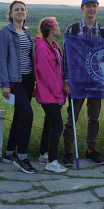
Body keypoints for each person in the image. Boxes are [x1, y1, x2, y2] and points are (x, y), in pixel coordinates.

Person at [61, 0, 104, 167]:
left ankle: (91, 150)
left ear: (97, 8)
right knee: (72, 118)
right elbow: (66, 57)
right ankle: (68, 152)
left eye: (94, 6)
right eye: (88, 6)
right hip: (77, 80)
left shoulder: (103, 31)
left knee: (94, 117)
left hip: (96, 81)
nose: (91, 9)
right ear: (82, 8)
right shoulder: (72, 29)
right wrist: (66, 80)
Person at [0, 0, 37, 174]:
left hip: (27, 80)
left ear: (25, 12)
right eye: (16, 10)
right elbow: (2, 59)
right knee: (27, 114)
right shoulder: (5, 32)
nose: (20, 12)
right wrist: (5, 84)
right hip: (14, 80)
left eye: (22, 9)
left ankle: (9, 153)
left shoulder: (26, 33)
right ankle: (22, 157)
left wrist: (33, 81)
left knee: (20, 115)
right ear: (11, 13)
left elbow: (29, 58)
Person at [34, 17, 67, 173]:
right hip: (49, 95)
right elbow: (47, 75)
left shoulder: (53, 46)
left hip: (54, 94)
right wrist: (59, 95)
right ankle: (52, 162)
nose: (59, 28)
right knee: (57, 126)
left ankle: (44, 154)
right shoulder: (42, 48)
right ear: (51, 29)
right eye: (57, 26)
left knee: (49, 124)